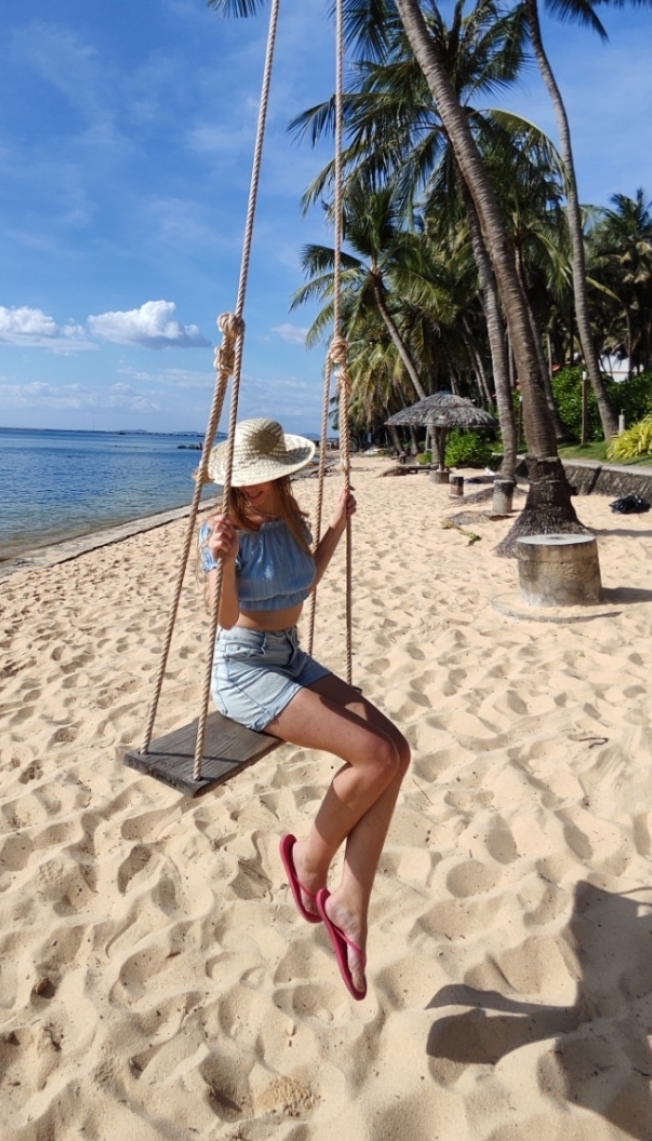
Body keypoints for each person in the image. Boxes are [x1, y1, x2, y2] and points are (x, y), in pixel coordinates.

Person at [200, 417, 410, 1000]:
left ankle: (350, 903)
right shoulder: (220, 529)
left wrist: (338, 526)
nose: (247, 491)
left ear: (282, 477)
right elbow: (221, 620)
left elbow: (304, 581)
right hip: (244, 669)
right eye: (240, 481)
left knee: (397, 751)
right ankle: (310, 867)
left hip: (289, 655)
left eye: (258, 481)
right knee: (371, 757)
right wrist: (221, 561)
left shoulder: (291, 516)